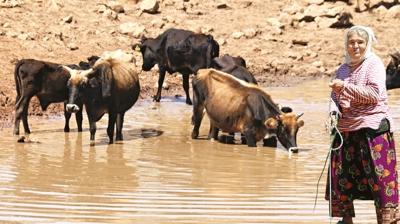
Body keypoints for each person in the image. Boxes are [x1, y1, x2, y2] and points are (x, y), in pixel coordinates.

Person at [326, 25, 399, 224]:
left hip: (373, 128)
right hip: (346, 129)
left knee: (380, 179)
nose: (355, 46)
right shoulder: (342, 68)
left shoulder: (374, 64)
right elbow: (334, 95)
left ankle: (388, 220)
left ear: (367, 45)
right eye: (351, 42)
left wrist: (346, 87)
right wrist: (333, 110)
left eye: (360, 42)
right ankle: (346, 220)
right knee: (341, 177)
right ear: (346, 45)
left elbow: (375, 95)